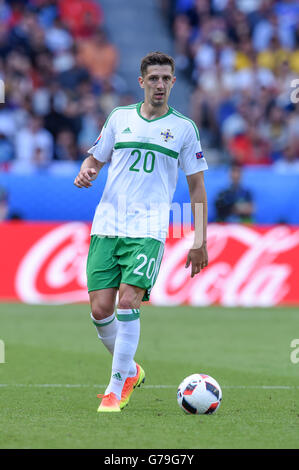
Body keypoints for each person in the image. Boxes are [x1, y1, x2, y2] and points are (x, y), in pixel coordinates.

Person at [74, 51, 208, 413]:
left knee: (128, 302)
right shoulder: (119, 118)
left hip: (148, 229)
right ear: (141, 82)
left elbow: (197, 187)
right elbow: (95, 159)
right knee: (101, 310)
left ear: (173, 82)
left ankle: (115, 389)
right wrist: (86, 171)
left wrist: (199, 240)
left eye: (166, 78)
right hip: (107, 226)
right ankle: (130, 370)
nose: (160, 85)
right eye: (153, 79)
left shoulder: (184, 129)